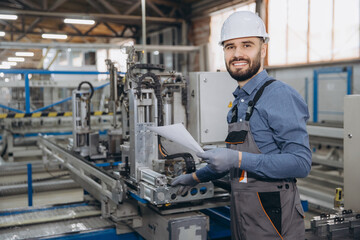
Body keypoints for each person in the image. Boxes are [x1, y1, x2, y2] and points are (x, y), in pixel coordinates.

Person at [171, 11, 312, 240]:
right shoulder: (239, 102)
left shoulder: (279, 95)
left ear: (263, 49)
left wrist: (235, 159)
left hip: (274, 218)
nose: (237, 54)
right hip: (243, 213)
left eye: (247, 45)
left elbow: (301, 163)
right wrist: (197, 177)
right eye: (229, 47)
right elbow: (237, 160)